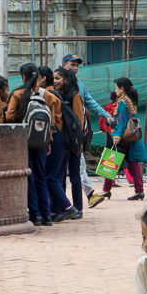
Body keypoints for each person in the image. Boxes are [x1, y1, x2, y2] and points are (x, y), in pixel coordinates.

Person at [6, 63, 58, 225]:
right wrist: (48, 140)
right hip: (42, 142)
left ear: (23, 77)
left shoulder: (18, 93)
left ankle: (34, 214)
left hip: (24, 141)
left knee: (30, 176)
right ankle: (47, 215)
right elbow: (52, 121)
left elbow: (9, 117)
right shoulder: (47, 95)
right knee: (41, 177)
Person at [62, 54, 115, 203]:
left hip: (76, 134)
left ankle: (83, 199)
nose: (75, 68)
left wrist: (107, 116)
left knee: (77, 167)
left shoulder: (80, 85)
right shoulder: (56, 83)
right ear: (64, 65)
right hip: (59, 133)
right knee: (63, 171)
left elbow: (91, 103)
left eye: (77, 66)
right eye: (72, 65)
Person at [95, 77, 147, 203]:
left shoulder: (123, 102)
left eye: (116, 88)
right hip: (131, 136)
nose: (115, 90)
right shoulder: (130, 101)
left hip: (123, 138)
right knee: (132, 163)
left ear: (122, 89)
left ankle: (106, 189)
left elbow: (122, 120)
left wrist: (116, 136)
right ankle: (139, 190)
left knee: (111, 161)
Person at [51, 67, 85, 220]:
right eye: (53, 78)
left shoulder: (74, 96)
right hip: (64, 141)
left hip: (74, 142)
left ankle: (78, 208)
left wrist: (79, 145)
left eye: (58, 78)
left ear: (66, 80)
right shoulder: (56, 95)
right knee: (60, 175)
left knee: (75, 176)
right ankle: (62, 207)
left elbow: (79, 122)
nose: (55, 81)